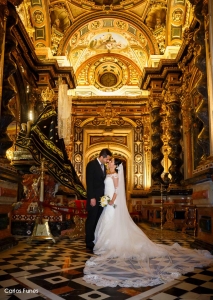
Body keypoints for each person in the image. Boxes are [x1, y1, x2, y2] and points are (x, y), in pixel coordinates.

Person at [83, 158, 213, 287]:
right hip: (107, 202)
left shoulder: (116, 175)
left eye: (111, 161)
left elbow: (117, 190)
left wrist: (111, 201)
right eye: (109, 161)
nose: (109, 162)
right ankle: (105, 242)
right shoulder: (108, 174)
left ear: (116, 165)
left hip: (112, 202)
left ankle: (110, 243)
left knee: (110, 221)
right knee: (106, 222)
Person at [85, 148, 112, 250]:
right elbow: (89, 182)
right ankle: (89, 241)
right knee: (91, 219)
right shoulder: (91, 165)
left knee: (98, 220)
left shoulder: (103, 167)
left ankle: (95, 239)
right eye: (107, 159)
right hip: (94, 198)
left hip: (101, 199)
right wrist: (92, 197)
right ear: (102, 156)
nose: (107, 161)